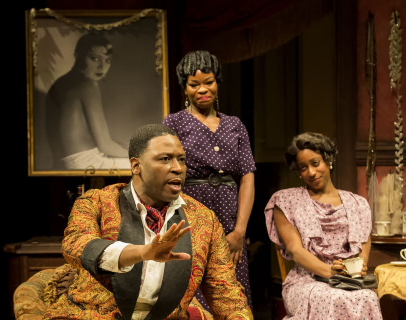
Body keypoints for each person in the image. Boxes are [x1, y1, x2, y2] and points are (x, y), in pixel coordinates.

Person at [42, 124, 253, 320]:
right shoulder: (97, 202)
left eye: (182, 159)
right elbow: (75, 245)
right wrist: (143, 253)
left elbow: (227, 296)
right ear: (136, 166)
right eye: (165, 159)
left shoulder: (205, 219)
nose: (178, 168)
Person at [163, 50, 256, 311]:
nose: (203, 89)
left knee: (231, 288)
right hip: (190, 212)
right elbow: (166, 170)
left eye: (209, 82)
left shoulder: (235, 125)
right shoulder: (174, 123)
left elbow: (247, 175)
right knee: (193, 284)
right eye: (194, 84)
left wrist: (240, 231)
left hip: (230, 215)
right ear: (184, 88)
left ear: (218, 82)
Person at [264, 132, 382, 319]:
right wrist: (329, 272)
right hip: (306, 280)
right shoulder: (286, 201)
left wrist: (359, 268)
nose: (311, 172)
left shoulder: (357, 203)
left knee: (367, 296)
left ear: (328, 161)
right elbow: (296, 250)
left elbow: (363, 247)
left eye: (315, 163)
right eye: (303, 168)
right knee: (330, 297)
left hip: (348, 280)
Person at [45, 32, 129, 170]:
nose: (102, 66)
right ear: (78, 56)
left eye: (107, 60)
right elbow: (106, 146)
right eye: (95, 59)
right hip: (86, 164)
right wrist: (139, 155)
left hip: (65, 163)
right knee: (148, 167)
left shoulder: (59, 83)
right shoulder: (87, 85)